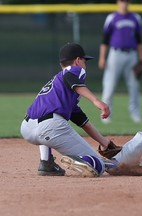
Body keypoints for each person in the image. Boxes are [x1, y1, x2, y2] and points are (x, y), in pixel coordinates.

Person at [20, 42, 121, 177]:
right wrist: (96, 100)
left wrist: (103, 142)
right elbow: (71, 78)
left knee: (49, 125)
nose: (85, 65)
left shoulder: (60, 89)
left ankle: (46, 163)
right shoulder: (73, 70)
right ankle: (81, 160)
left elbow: (83, 122)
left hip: (27, 128)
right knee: (99, 165)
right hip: (50, 128)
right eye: (85, 61)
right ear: (78, 60)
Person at [98, 0, 142, 124]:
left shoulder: (136, 18)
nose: (125, 3)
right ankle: (106, 114)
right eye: (123, 1)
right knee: (110, 84)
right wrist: (102, 58)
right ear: (118, 2)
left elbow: (139, 40)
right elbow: (105, 40)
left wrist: (141, 59)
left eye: (127, 1)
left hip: (132, 54)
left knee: (134, 85)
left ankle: (135, 113)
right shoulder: (112, 17)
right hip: (115, 54)